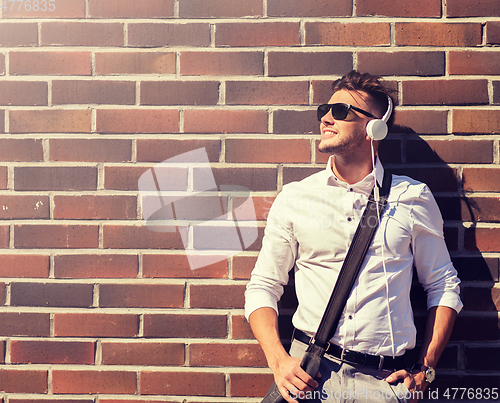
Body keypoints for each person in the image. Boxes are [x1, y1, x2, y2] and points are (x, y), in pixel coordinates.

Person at [244, 70, 462, 403]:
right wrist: (278, 361)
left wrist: (425, 369)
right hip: (309, 377)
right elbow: (263, 285)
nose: (327, 118)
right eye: (324, 111)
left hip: (384, 383)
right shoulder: (295, 197)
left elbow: (443, 285)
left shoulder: (412, 197)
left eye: (342, 111)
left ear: (374, 126)